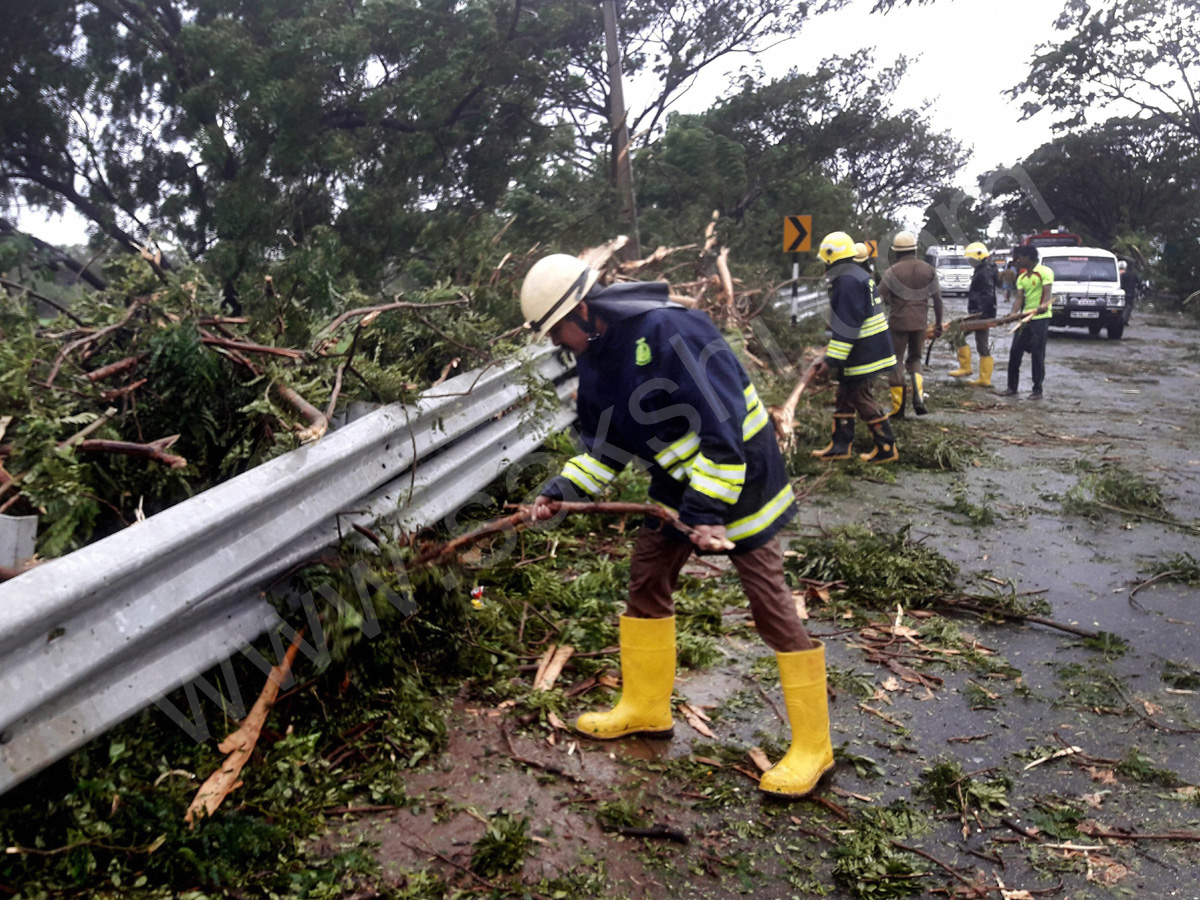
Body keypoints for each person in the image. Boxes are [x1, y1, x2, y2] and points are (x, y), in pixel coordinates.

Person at [520, 253, 833, 798]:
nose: (558, 344)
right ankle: (645, 707)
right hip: (675, 482)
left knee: (769, 606)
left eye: (559, 330)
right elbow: (605, 447)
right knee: (646, 580)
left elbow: (722, 428)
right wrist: (559, 492)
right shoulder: (595, 358)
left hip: (742, 474)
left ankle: (814, 746)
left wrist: (706, 515)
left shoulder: (670, 331)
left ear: (586, 311)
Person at [810, 232, 898, 464]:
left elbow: (847, 328)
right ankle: (840, 445)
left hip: (864, 352)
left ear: (831, 259)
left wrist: (830, 361)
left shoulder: (846, 283)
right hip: (868, 348)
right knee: (844, 395)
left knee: (861, 397)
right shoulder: (857, 275)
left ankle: (886, 446)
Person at [879, 231, 943, 418]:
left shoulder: (892, 272)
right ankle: (919, 397)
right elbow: (938, 300)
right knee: (915, 360)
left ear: (896, 252)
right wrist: (938, 324)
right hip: (920, 323)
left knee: (896, 362)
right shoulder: (928, 270)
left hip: (898, 322)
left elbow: (878, 297)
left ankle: (898, 409)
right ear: (915, 250)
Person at [1003, 245, 1054, 398]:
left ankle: (1037, 389)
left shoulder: (1044, 272)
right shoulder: (1022, 277)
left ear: (1028, 257)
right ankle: (1012, 387)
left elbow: (1047, 293)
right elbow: (1019, 298)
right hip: (1024, 319)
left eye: (1019, 257)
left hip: (1040, 319)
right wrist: (1013, 314)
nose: (1017, 260)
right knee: (1014, 352)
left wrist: (1043, 306)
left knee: (1037, 354)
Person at [949, 242, 998, 386]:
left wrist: (981, 314)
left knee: (957, 334)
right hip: (979, 313)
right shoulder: (982, 270)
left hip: (982, 314)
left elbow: (988, 294)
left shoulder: (985, 272)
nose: (969, 262)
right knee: (980, 343)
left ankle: (969, 370)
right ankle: (981, 376)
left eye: (971, 259)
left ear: (979, 257)